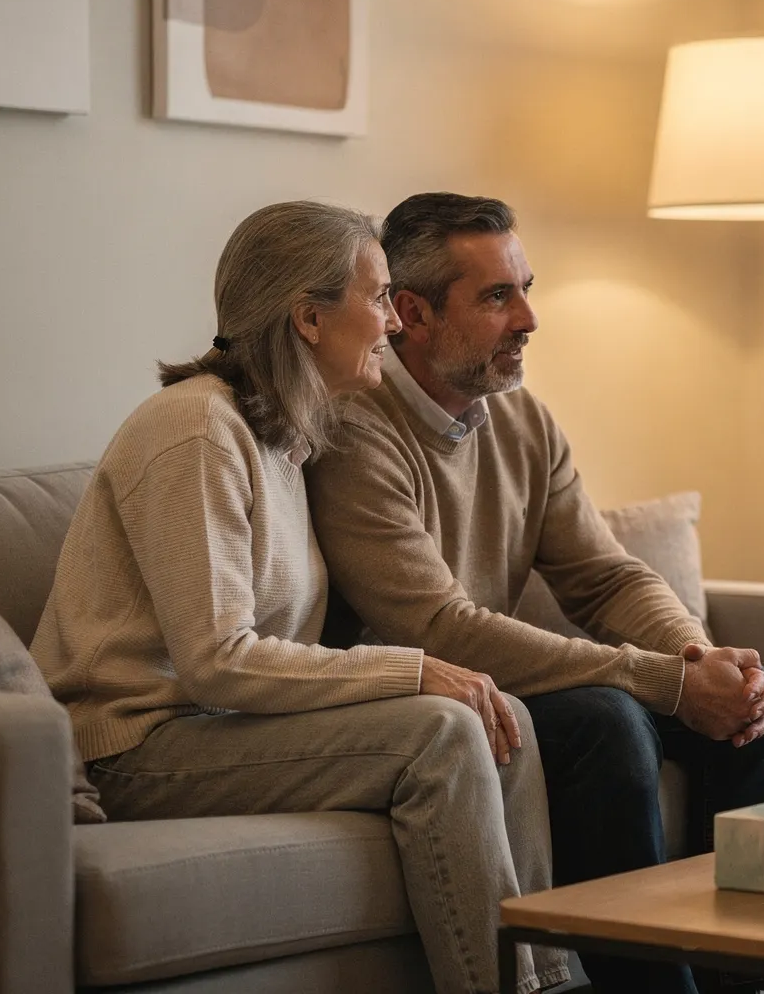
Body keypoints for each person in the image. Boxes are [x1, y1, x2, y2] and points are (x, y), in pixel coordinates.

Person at [32, 202, 561, 994]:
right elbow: (217, 661)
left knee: (499, 716)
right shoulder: (195, 431)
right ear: (309, 319)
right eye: (378, 298)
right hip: (134, 749)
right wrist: (416, 670)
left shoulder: (285, 434)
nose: (393, 322)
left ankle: (544, 981)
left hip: (221, 728)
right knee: (445, 734)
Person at [305, 192, 764, 994]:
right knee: (606, 722)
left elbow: (605, 576)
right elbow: (440, 627)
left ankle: (745, 976)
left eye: (526, 289)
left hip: (507, 682)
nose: (529, 319)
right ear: (413, 314)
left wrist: (703, 661)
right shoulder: (356, 431)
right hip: (422, 701)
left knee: (756, 693)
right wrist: (665, 682)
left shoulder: (522, 419)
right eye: (498, 296)